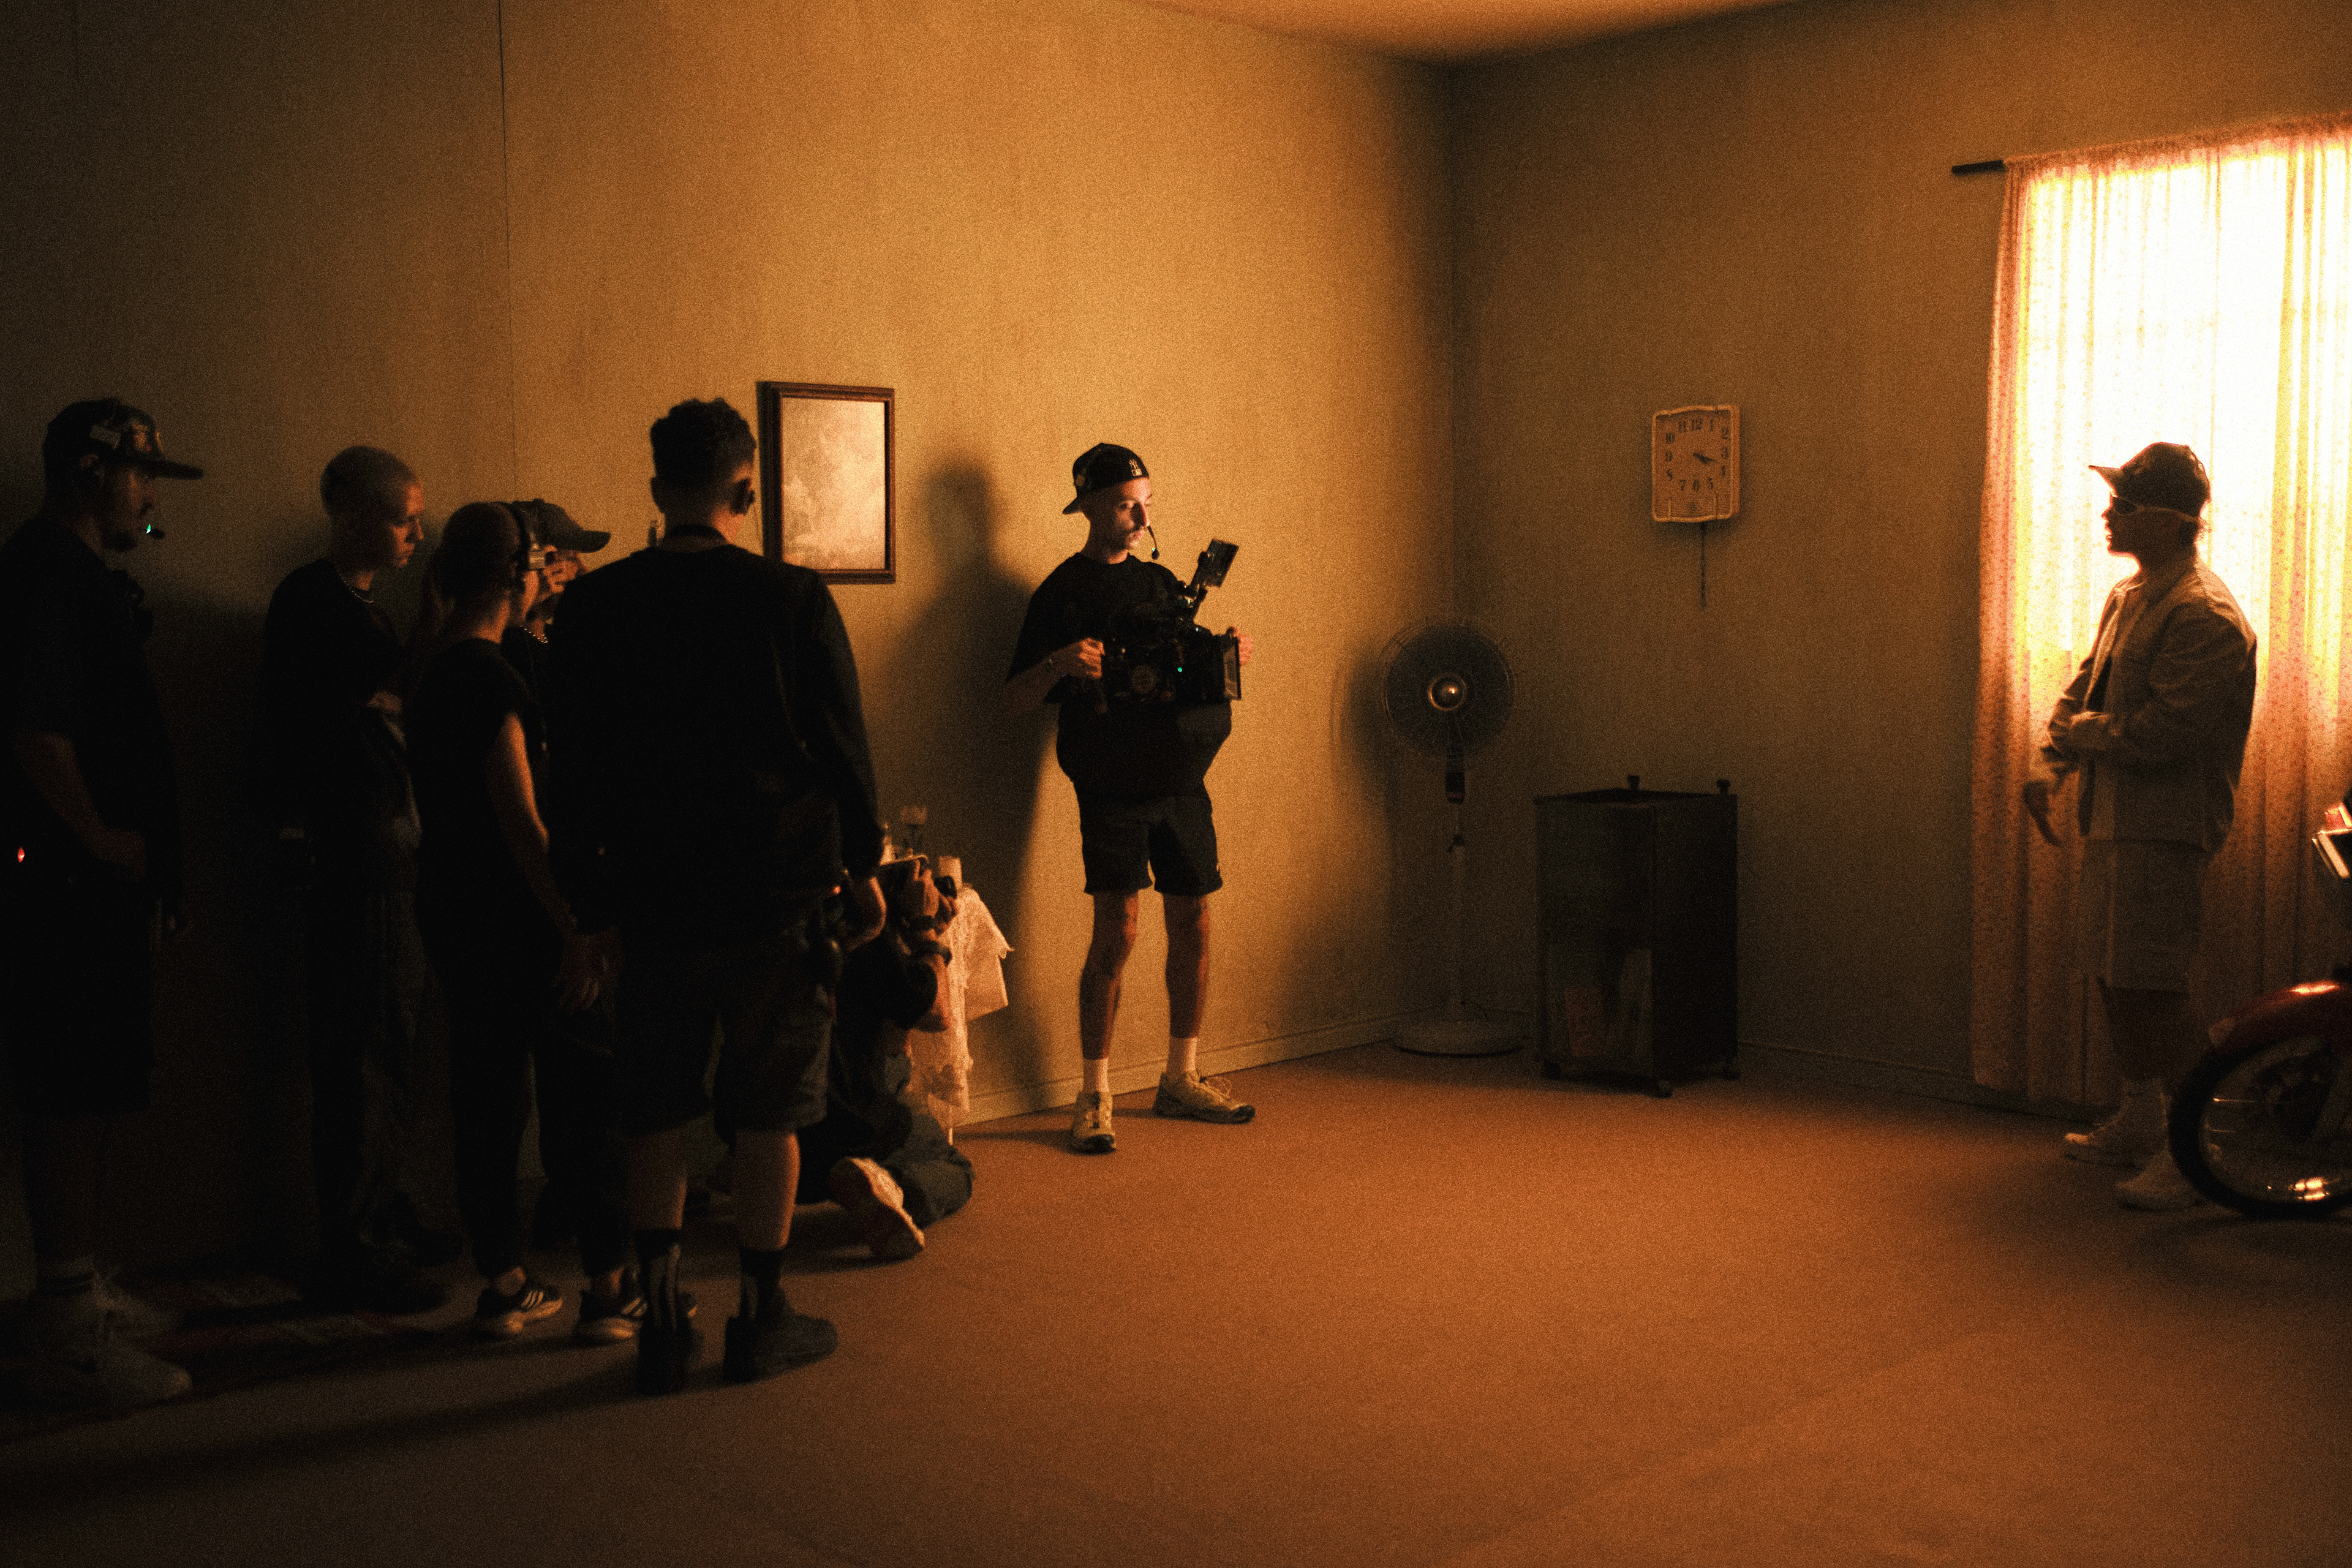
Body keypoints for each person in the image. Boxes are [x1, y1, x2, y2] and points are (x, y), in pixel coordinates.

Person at [550, 398, 886, 1393]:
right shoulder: (792, 598)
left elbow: (573, 772)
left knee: (652, 1108)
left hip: (652, 895)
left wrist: (589, 905)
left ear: (657, 488)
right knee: (772, 1108)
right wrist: (863, 865)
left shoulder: (596, 605)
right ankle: (759, 1312)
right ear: (747, 488)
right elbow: (844, 748)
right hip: (778, 893)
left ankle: (660, 1321)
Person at [1, 398, 201, 1406]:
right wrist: (96, 836)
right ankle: (67, 1328)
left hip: (97, 888)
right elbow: (35, 726)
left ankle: (76, 1293)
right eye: (141, 475)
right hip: (67, 889)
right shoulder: (46, 571)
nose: (151, 496)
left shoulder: (83, 577)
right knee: (71, 1094)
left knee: (94, 1088)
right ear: (90, 470)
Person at [409, 503, 638, 1342]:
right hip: (522, 915)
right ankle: (610, 1288)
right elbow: (521, 820)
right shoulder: (489, 676)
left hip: (453, 907)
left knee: (487, 1098)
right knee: (584, 1095)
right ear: (517, 574)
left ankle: (504, 1281)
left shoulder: (431, 668)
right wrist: (577, 924)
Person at [2024, 442, 2257, 1211]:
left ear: (2166, 520)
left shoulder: (2205, 614)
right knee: (2113, 973)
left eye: (2123, 505)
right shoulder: (2130, 596)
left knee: (2156, 987)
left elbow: (2165, 734)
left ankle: (2196, 1153)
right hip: (2115, 821)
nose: (2108, 515)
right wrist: (2051, 763)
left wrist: (2083, 736)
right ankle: (2142, 1116)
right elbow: (2085, 687)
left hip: (2166, 830)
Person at [1004, 443, 1254, 1154]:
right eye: (1125, 505)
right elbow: (1013, 699)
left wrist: (1225, 655)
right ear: (1088, 507)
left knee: (1194, 919)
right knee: (1117, 930)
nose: (1142, 517)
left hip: (1180, 774)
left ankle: (1180, 1075)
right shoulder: (1061, 593)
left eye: (1147, 503)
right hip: (1110, 780)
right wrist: (1059, 662)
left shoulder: (1164, 585)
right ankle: (1096, 1093)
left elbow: (1182, 672)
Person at [260, 446, 451, 1313]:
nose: (415, 532)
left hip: (384, 853)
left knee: (388, 1044)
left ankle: (385, 1209)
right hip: (357, 857)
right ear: (350, 516)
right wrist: (434, 630)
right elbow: (391, 695)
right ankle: (356, 1244)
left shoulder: (356, 609)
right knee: (364, 1054)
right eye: (403, 517)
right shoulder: (313, 602)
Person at [496, 497, 612, 1253]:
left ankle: (580, 1196)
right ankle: (576, 1204)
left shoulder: (555, 645)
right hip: (539, 879)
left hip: (568, 867)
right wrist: (574, 915)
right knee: (572, 1053)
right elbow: (533, 792)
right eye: (563, 556)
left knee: (583, 1060)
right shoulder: (509, 658)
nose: (576, 570)